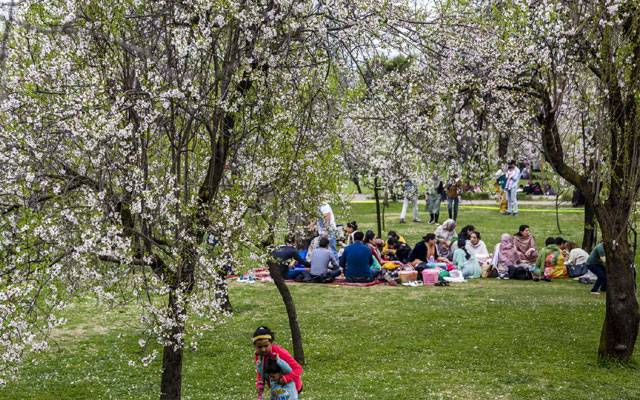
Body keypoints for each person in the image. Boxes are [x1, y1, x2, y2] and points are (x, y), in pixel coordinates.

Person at [253, 326, 303, 400]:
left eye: (266, 346)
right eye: (259, 347)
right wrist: (259, 383)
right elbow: (260, 371)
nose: (263, 349)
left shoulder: (280, 353)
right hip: (276, 389)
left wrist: (285, 378)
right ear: (255, 346)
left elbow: (298, 369)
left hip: (291, 387)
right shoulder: (259, 355)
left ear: (271, 343)